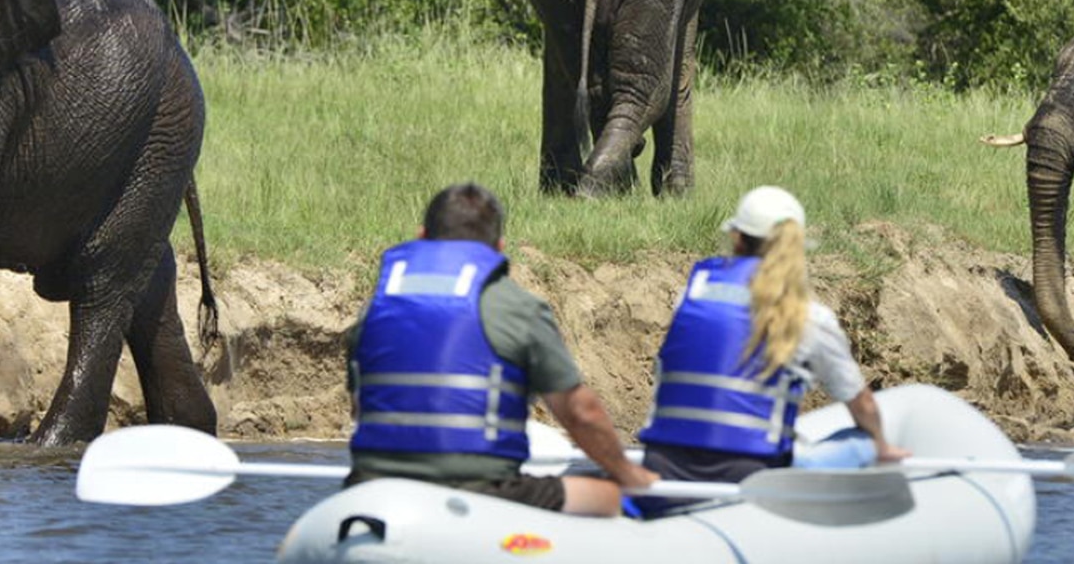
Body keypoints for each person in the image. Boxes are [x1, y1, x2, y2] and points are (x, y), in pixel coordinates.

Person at [344, 182, 657, 516]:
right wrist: (628, 473)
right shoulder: (518, 307)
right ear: (499, 248)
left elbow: (360, 408)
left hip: (372, 487)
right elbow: (581, 413)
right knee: (607, 495)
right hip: (482, 492)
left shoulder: (372, 309)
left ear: (421, 236)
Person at [635, 185, 910, 517]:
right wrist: (880, 444)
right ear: (796, 247)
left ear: (737, 238)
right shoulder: (809, 317)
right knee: (862, 442)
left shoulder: (692, 294)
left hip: (663, 469)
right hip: (752, 480)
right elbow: (862, 403)